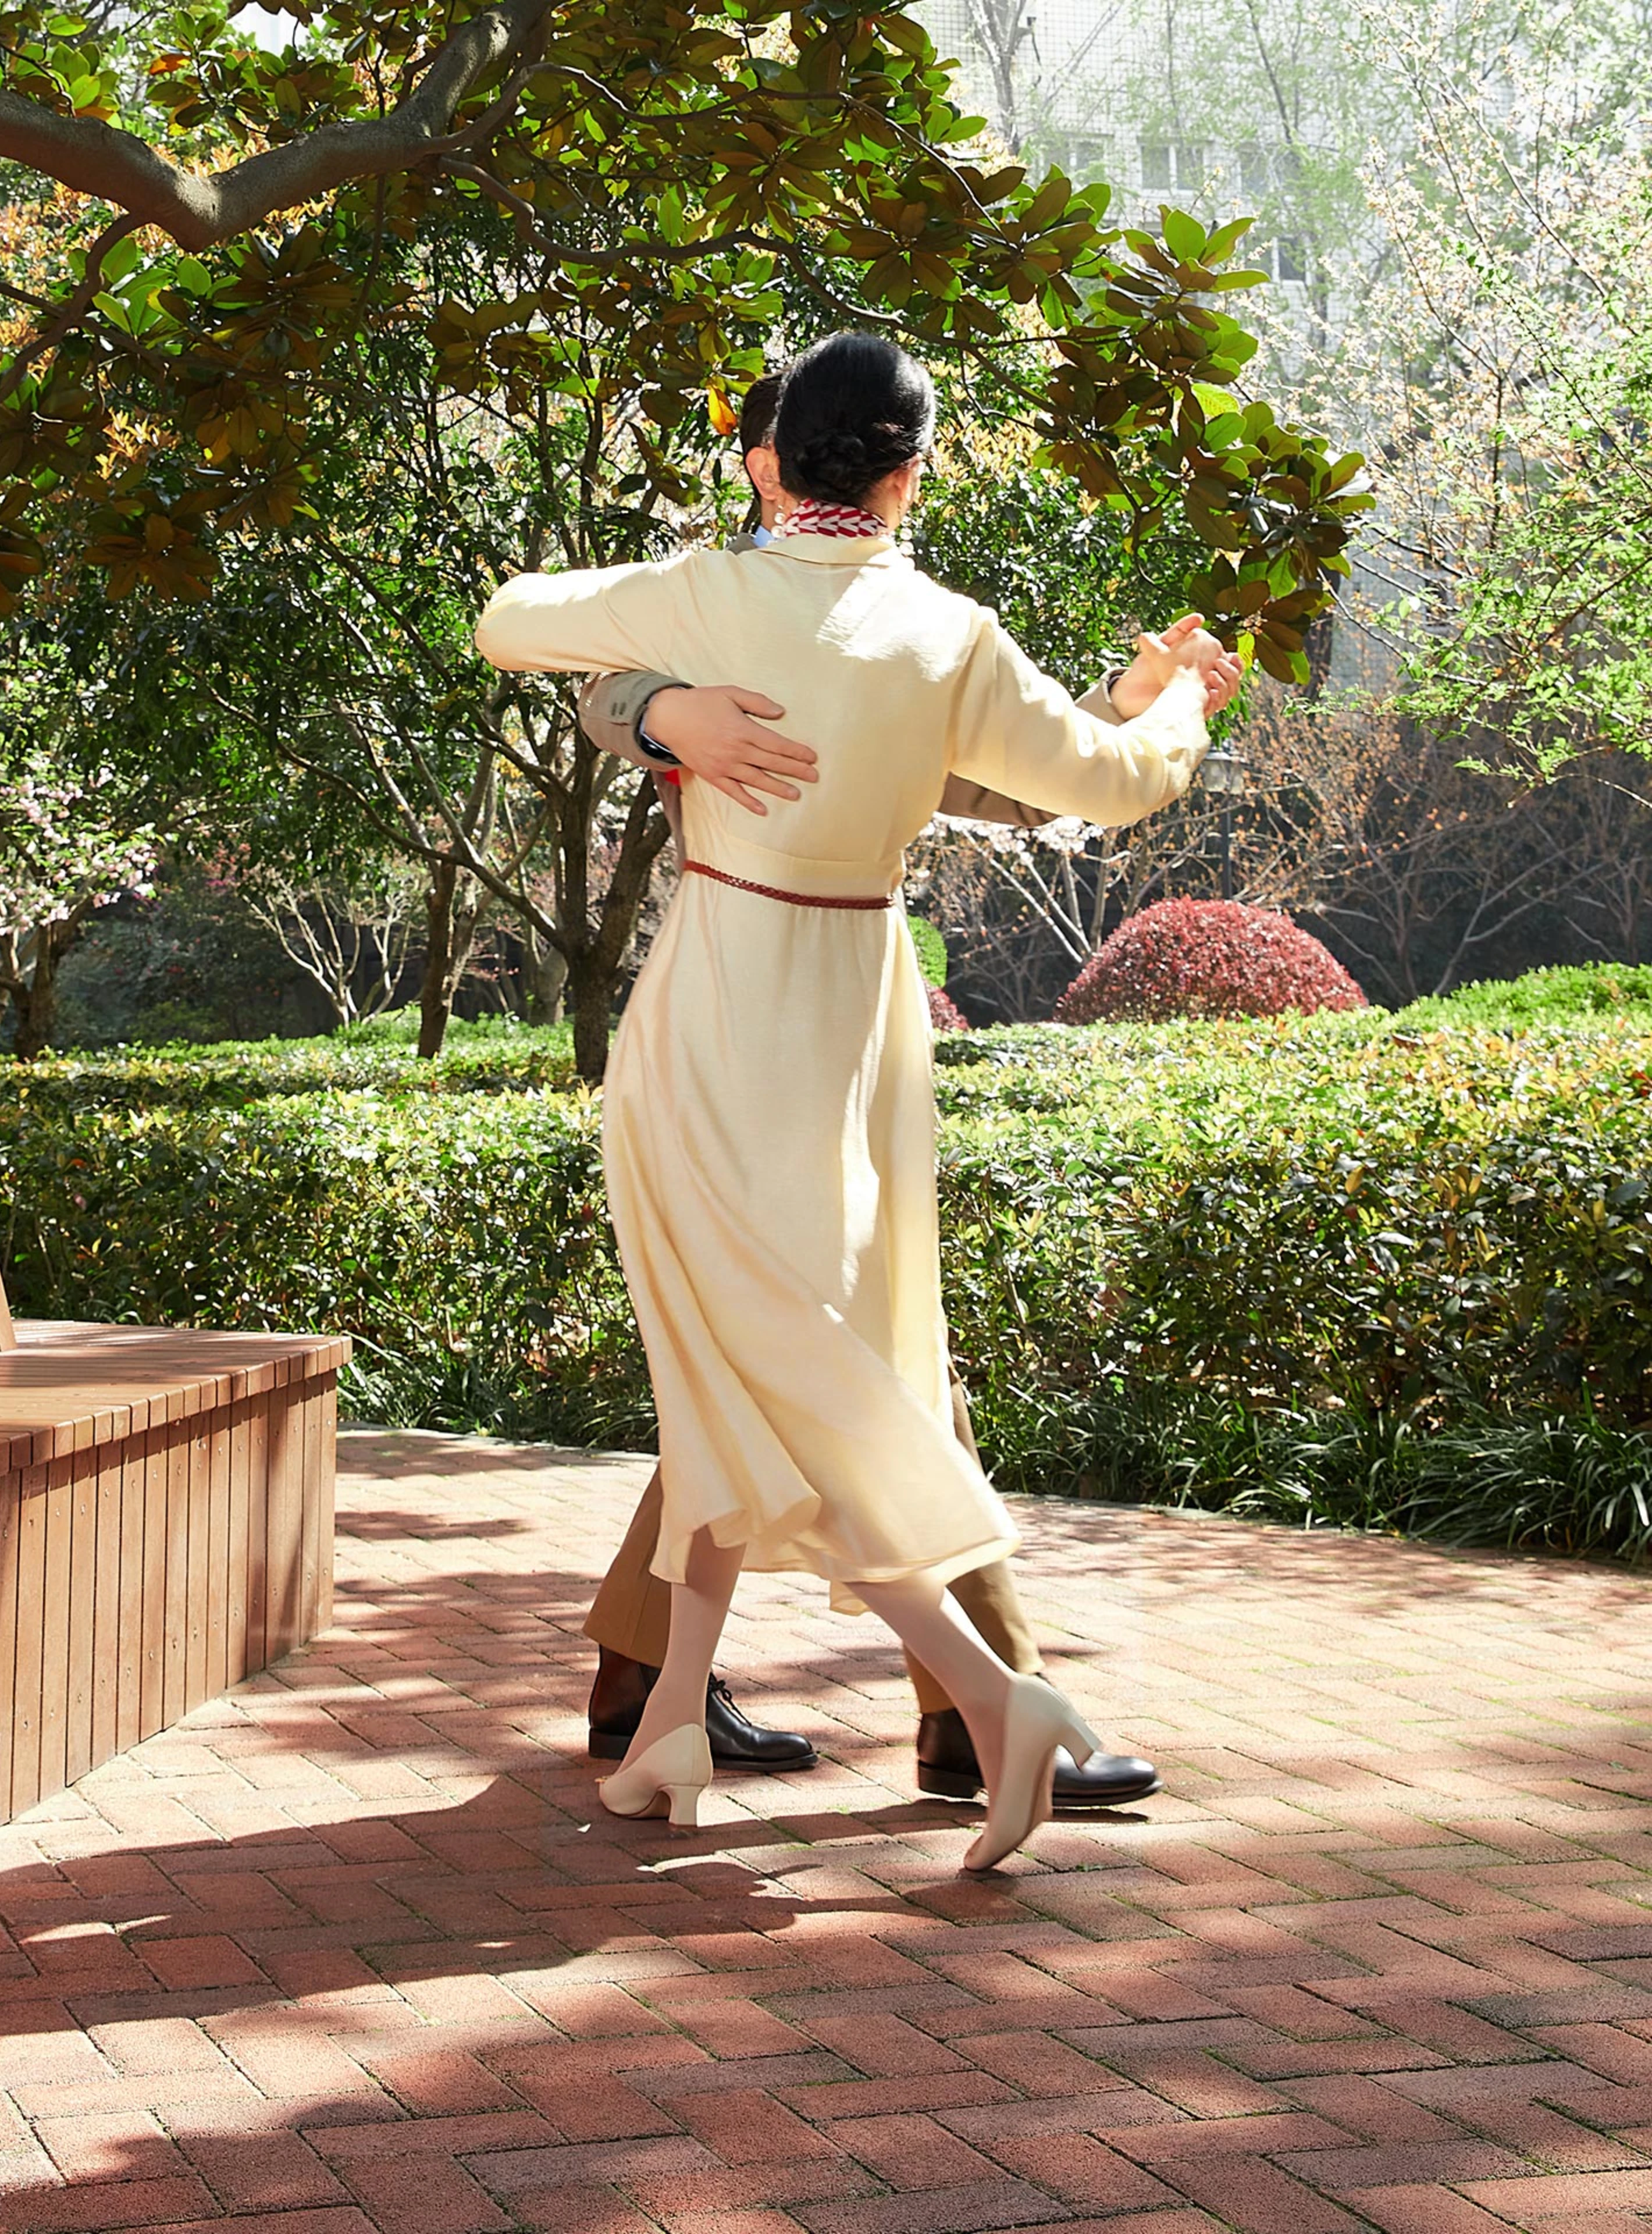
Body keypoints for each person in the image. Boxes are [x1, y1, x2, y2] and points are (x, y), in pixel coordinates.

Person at [477, 333, 1232, 1869]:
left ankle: (965, 1697)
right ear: (910, 469)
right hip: (863, 998)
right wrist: (1179, 707)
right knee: (773, 1352)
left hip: (722, 996)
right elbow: (1105, 778)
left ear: (776, 456)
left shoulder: (709, 586)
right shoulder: (946, 631)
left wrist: (668, 698)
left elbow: (508, 619)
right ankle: (682, 1714)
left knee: (770, 1357)